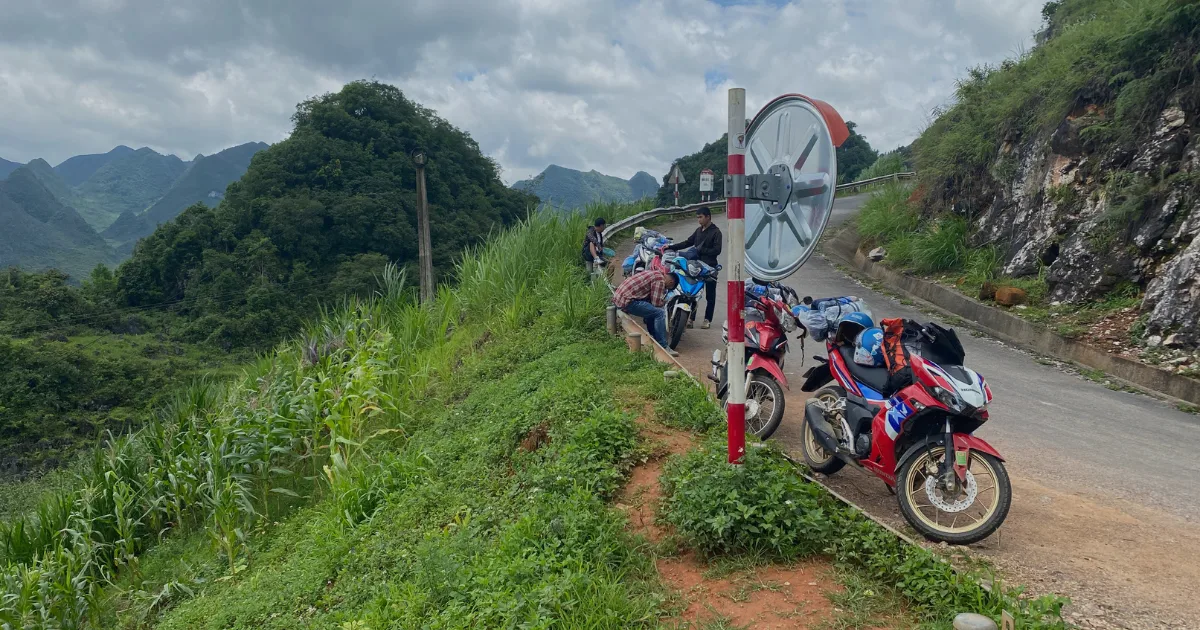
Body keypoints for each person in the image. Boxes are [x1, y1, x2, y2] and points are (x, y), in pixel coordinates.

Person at [665, 207, 722, 329]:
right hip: (695, 267)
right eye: (698, 217)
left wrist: (701, 250)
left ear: (708, 217)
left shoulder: (716, 232)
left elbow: (717, 250)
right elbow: (687, 242)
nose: (699, 220)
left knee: (710, 296)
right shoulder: (698, 231)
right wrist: (671, 247)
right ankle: (690, 318)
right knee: (692, 292)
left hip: (710, 268)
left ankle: (707, 319)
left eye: (701, 217)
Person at [612, 266, 680, 356]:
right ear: (671, 282)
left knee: (651, 311)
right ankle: (663, 346)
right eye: (668, 287)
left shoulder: (655, 273)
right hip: (627, 302)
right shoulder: (660, 279)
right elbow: (656, 302)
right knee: (659, 313)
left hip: (619, 299)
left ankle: (654, 338)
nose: (666, 289)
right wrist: (665, 302)